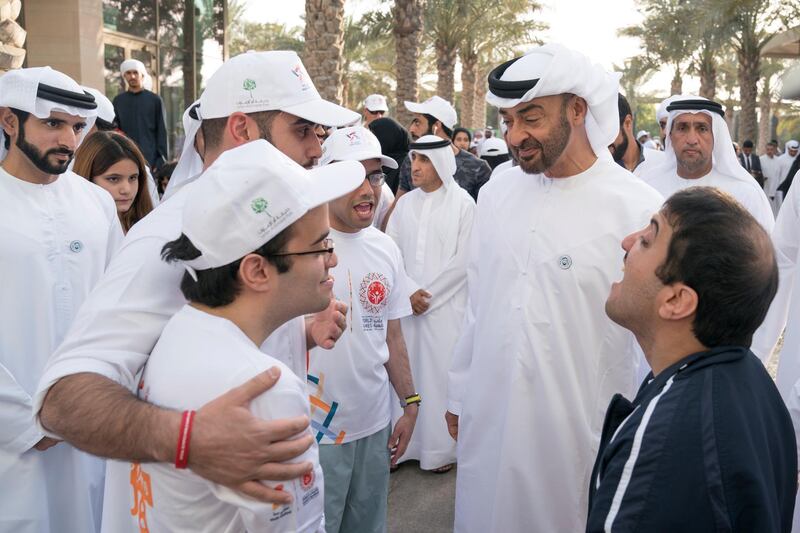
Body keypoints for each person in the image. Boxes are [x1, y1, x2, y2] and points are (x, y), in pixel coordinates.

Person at [33, 51, 361, 531]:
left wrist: (301, 332)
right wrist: (187, 439)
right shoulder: (166, 235)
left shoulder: (254, 220)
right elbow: (63, 399)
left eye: (320, 134)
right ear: (243, 130)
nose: (316, 150)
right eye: (302, 130)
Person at [445, 44, 664, 533]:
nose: (515, 136)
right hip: (491, 412)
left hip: (578, 428)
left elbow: (654, 342)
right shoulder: (498, 190)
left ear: (578, 110)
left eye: (531, 118)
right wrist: (460, 393)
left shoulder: (638, 207)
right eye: (508, 121)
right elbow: (478, 302)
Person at [120, 140, 364, 532]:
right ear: (256, 271)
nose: (332, 258)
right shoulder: (262, 388)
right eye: (321, 245)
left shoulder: (177, 336)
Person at [588, 187, 796, 532]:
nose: (627, 242)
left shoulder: (657, 447)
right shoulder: (753, 384)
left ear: (677, 301)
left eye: (647, 240)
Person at [0, 66, 124, 533]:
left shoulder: (96, 204)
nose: (69, 140)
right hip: (14, 444)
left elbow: (120, 308)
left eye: (76, 126)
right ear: (10, 122)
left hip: (96, 424)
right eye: (52, 123)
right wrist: (26, 425)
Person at [310, 126, 417, 533]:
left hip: (374, 425)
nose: (369, 189)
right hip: (316, 430)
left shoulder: (385, 248)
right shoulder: (303, 242)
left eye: (375, 176)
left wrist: (411, 403)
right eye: (355, 177)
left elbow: (392, 337)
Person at [386, 135, 475, 474]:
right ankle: (402, 447)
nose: (415, 167)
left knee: (439, 377)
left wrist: (428, 297)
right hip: (405, 309)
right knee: (405, 375)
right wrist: (407, 290)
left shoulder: (464, 204)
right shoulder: (405, 205)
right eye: (413, 160)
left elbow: (465, 261)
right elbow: (390, 252)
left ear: (439, 164)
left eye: (422, 160)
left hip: (446, 312)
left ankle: (439, 451)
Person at [638, 96, 774, 232]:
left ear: (716, 136)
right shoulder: (648, 185)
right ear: (670, 135)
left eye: (702, 129)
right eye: (682, 128)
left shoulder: (744, 194)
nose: (691, 140)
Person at [395, 96, 492, 202]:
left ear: (436, 126)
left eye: (418, 123)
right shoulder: (411, 160)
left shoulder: (478, 168)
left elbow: (486, 213)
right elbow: (398, 203)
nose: (411, 129)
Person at [73, 131, 154, 233]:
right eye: (113, 179)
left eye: (133, 178)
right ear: (87, 178)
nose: (126, 189)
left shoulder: (151, 226)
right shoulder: (73, 231)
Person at [112, 59, 168, 169]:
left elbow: (162, 130)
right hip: (125, 156)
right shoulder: (118, 101)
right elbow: (114, 129)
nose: (132, 76)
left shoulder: (155, 100)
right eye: (128, 73)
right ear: (124, 76)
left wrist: (161, 159)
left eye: (135, 72)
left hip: (150, 159)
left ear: (142, 75)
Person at [609, 93, 664, 176]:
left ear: (628, 123)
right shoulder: (598, 173)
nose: (602, 140)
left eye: (607, 131)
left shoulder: (663, 163)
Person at [368, 116, 410, 195]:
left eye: (374, 137)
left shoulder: (405, 166)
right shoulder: (376, 161)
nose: (371, 142)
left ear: (388, 137)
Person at [761, 139, 782, 212]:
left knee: (777, 209)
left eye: (771, 149)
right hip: (766, 187)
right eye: (768, 149)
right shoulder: (761, 159)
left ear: (774, 150)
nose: (769, 151)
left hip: (776, 189)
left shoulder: (779, 160)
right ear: (766, 150)